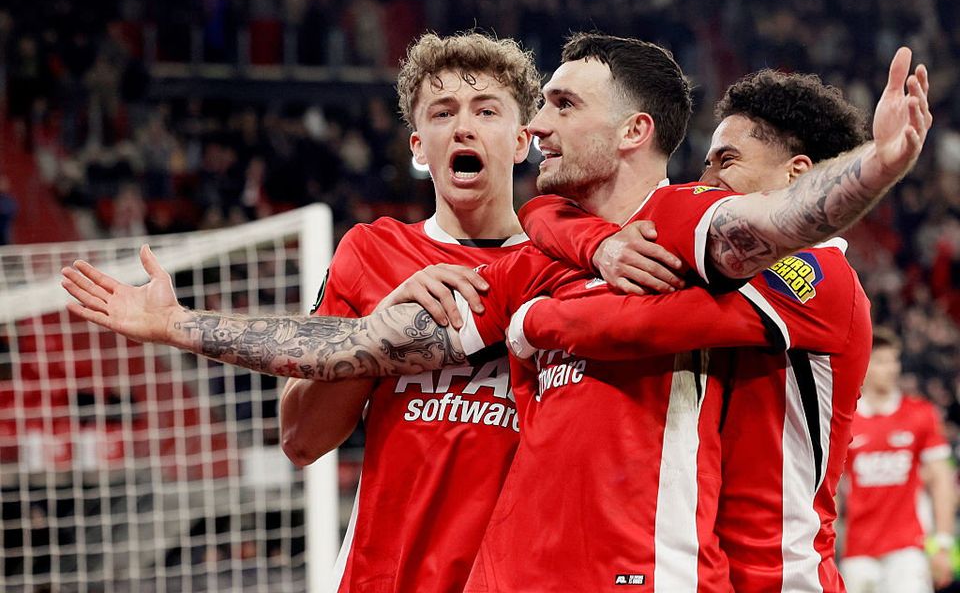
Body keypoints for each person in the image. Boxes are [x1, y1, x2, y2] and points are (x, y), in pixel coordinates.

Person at [61, 35, 931, 590]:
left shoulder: (706, 237)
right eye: (443, 113)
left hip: (683, 572)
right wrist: (180, 325)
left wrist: (879, 165)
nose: (539, 126)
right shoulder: (526, 256)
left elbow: (765, 231)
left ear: (628, 131)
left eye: (555, 106)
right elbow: (355, 352)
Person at [507, 69, 873, 592]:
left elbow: (642, 325)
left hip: (784, 576)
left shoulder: (818, 272)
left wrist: (531, 321)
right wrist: (598, 245)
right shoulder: (714, 259)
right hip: (711, 565)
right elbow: (549, 209)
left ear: (797, 175)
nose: (707, 179)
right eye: (706, 162)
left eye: (728, 160)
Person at [267, 32, 542, 592]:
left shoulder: (559, 266)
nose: (463, 127)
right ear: (419, 147)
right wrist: (378, 334)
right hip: (382, 579)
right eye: (443, 112)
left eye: (486, 110)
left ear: (521, 141)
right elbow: (300, 438)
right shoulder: (372, 252)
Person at [840, 328, 957, 593]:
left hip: (907, 550)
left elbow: (942, 481)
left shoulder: (920, 414)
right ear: (864, 364)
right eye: (881, 361)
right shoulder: (846, 421)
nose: (892, 368)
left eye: (894, 360)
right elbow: (833, 491)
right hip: (857, 551)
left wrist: (943, 544)